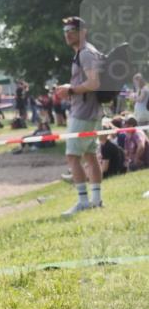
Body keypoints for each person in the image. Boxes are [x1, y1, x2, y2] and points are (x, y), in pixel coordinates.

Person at [53, 16, 104, 216]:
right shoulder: (86, 53)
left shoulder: (86, 54)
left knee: (72, 156)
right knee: (90, 156)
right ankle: (96, 200)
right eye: (64, 30)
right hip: (91, 112)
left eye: (71, 29)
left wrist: (70, 90)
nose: (67, 33)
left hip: (83, 113)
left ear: (83, 31)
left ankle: (83, 202)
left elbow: (94, 83)